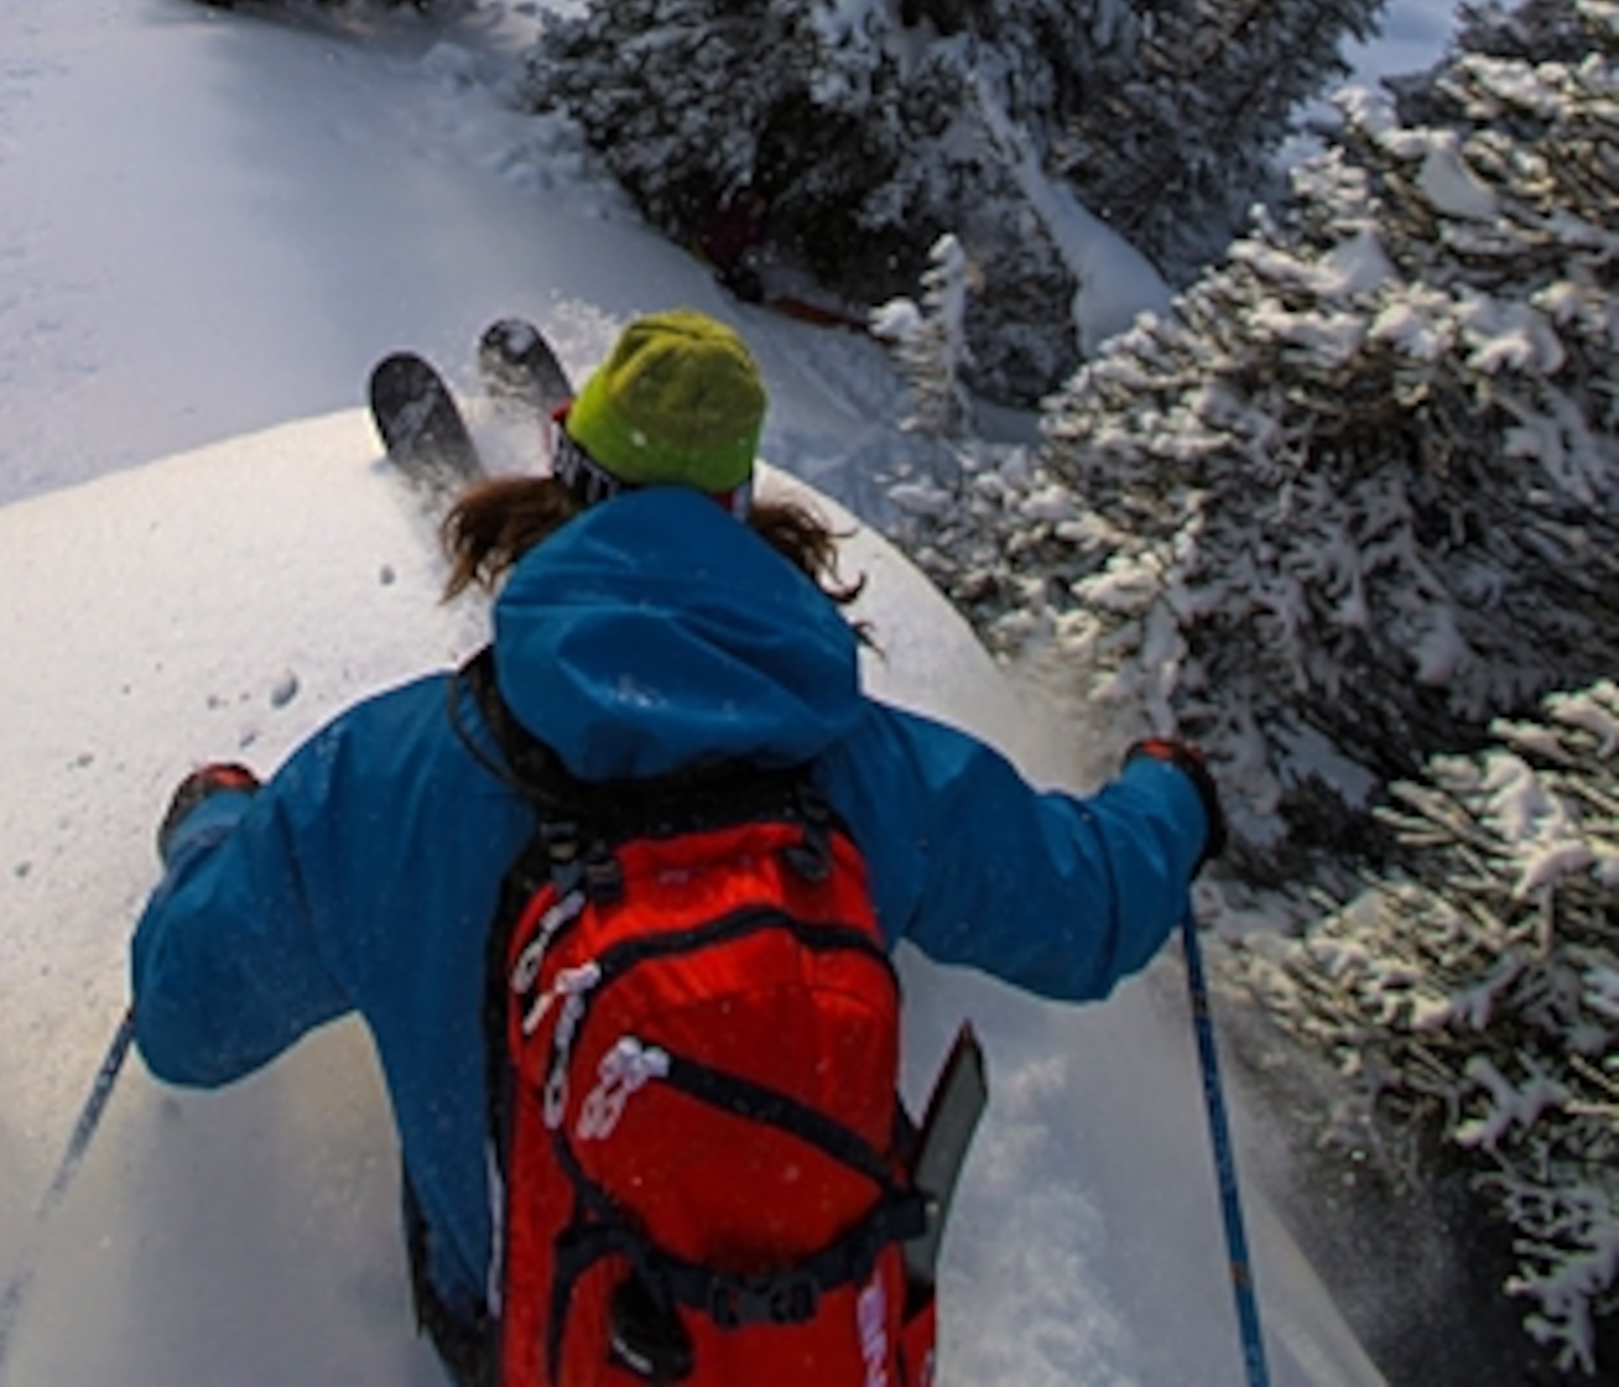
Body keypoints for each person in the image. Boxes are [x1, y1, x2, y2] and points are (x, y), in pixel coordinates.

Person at [129, 312, 1220, 1381]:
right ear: (738, 511)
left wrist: (216, 826)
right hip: (802, 1342)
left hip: (539, 1343)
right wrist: (1170, 797)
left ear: (567, 489)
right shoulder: (871, 774)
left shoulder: (387, 777)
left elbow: (187, 1020)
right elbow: (1092, 914)